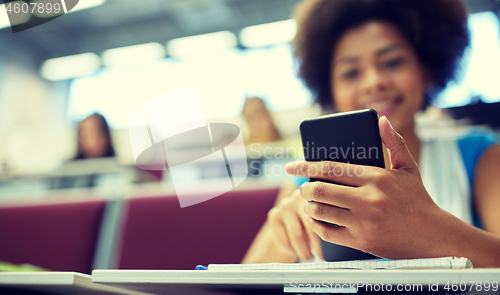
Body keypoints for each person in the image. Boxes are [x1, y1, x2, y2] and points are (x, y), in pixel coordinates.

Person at [242, 0, 500, 267]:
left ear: (426, 70)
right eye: (351, 72)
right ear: (331, 89)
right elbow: (237, 283)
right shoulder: (309, 182)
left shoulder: (481, 157)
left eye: (392, 62)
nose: (374, 81)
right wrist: (287, 239)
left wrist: (425, 227)